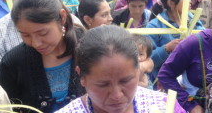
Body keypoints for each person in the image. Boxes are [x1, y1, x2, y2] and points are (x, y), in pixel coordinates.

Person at [55, 25, 186, 113]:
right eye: (103, 84)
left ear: (137, 70)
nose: (117, 95)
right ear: (82, 77)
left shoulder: (164, 106)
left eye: (125, 81)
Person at [0, 0, 83, 112]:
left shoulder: (90, 49)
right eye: (25, 35)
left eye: (43, 33)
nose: (36, 43)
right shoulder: (13, 63)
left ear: (62, 17)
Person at [146, 0, 204, 82]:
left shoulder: (193, 20)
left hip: (193, 81)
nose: (189, 0)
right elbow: (147, 59)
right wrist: (166, 49)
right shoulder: (154, 26)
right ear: (171, 3)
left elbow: (205, 41)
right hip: (164, 82)